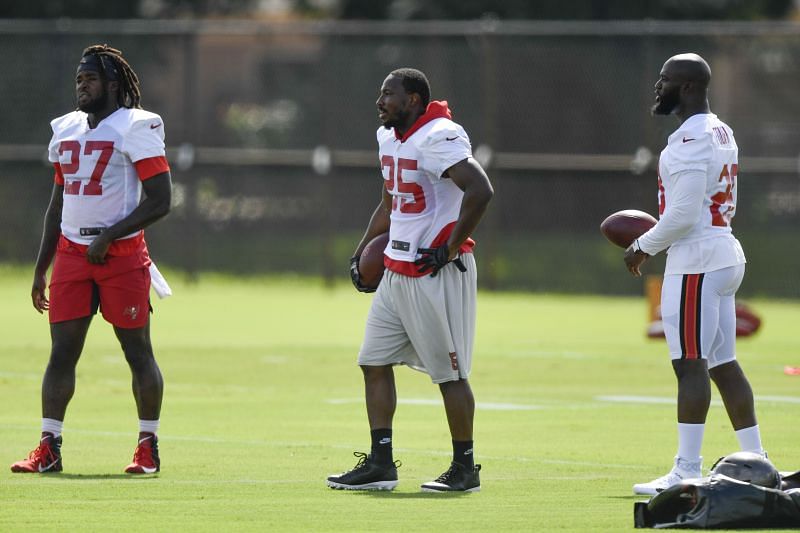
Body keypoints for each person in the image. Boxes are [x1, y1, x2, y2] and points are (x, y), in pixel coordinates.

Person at [327, 68, 493, 492]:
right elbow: (390, 201)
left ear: (414, 100)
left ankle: (465, 469)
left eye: (389, 94)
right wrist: (361, 250)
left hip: (434, 271)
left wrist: (452, 245)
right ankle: (381, 463)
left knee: (450, 374)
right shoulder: (389, 137)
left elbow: (480, 189)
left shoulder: (439, 134)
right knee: (373, 361)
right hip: (396, 272)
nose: (380, 101)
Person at [10, 44, 172, 474]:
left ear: (113, 85)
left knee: (137, 351)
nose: (82, 85)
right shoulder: (66, 128)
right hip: (70, 254)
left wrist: (109, 236)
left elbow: (161, 200)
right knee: (61, 353)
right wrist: (41, 267)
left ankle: (148, 445)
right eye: (79, 79)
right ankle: (49, 447)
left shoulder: (136, 126)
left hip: (120, 254)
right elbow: (57, 203)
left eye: (92, 79)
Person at [625, 53, 766, 495]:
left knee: (691, 365)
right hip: (723, 253)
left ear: (687, 87)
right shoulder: (720, 129)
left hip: (697, 261)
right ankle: (759, 462)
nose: (657, 86)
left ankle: (687, 468)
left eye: (665, 79)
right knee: (723, 365)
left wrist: (642, 245)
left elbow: (684, 214)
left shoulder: (689, 139)